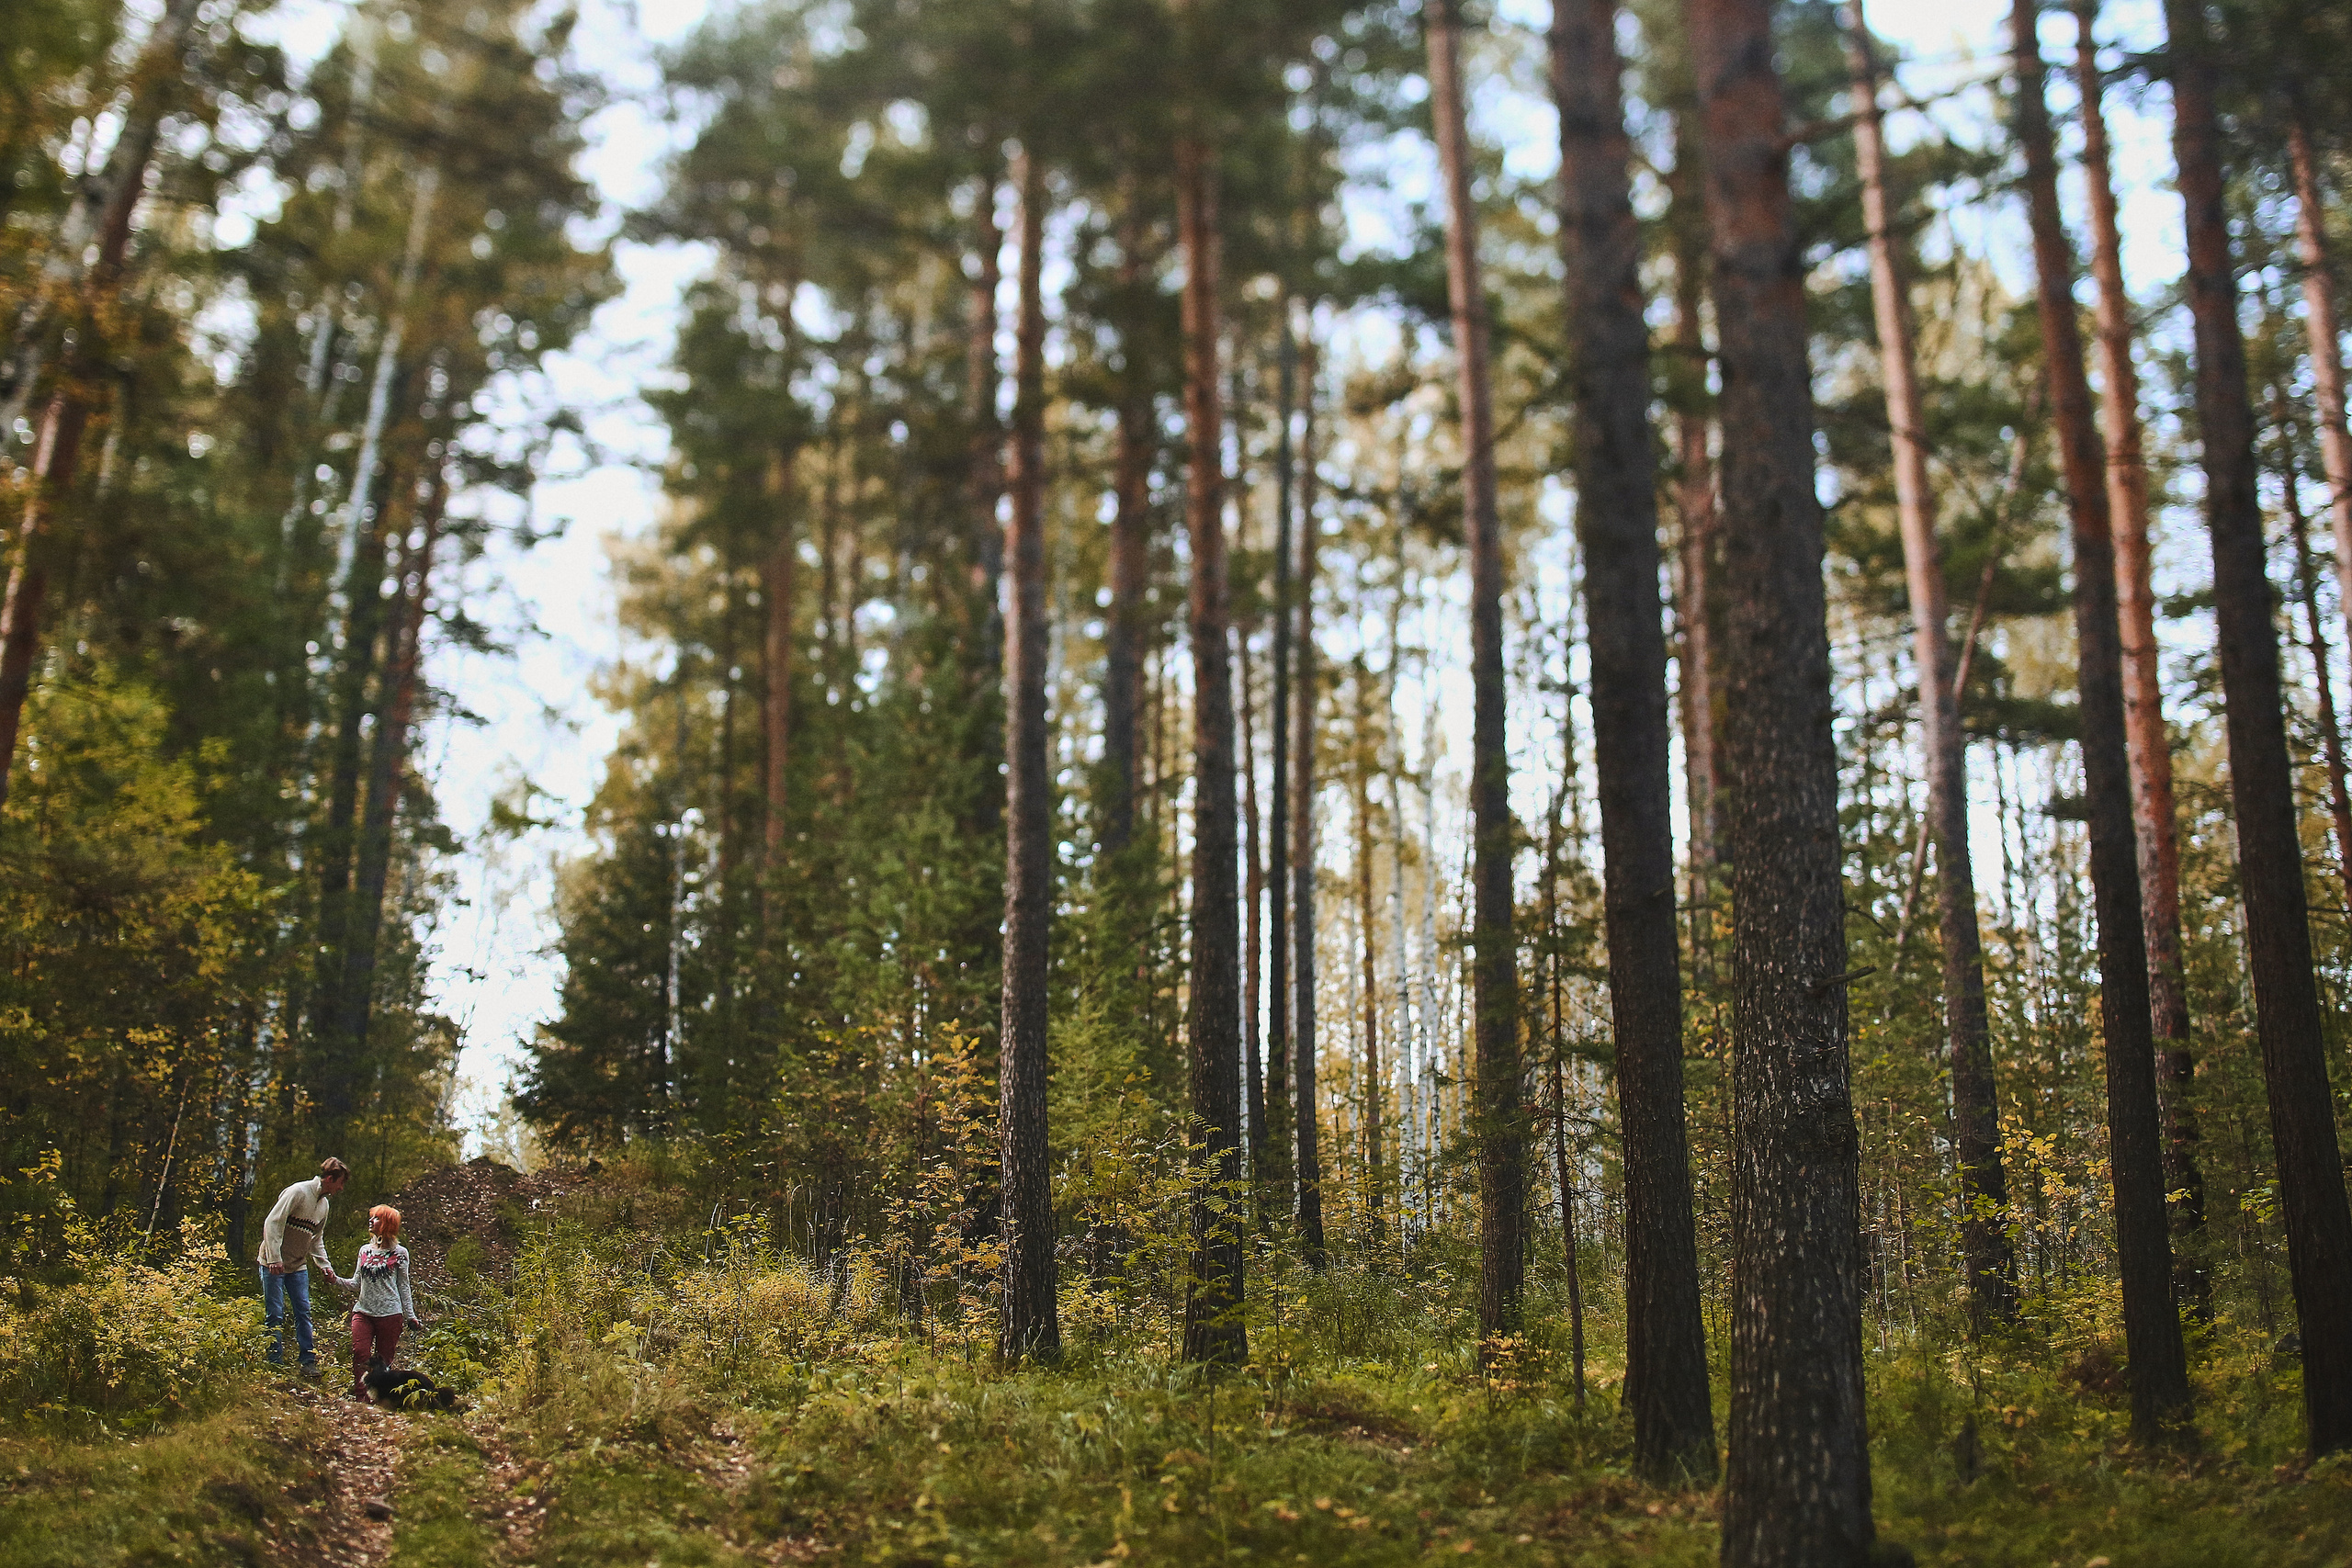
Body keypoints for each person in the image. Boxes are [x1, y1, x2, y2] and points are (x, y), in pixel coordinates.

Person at [257, 1156, 348, 1375]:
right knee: (275, 1313)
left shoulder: (323, 1205)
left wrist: (325, 1266)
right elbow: (273, 1223)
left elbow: (316, 1238)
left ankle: (307, 1361)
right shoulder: (297, 1192)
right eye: (340, 1183)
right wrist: (274, 1258)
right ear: (329, 1178)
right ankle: (274, 1361)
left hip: (297, 1265)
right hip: (273, 1264)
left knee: (303, 1312)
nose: (341, 1188)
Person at [333, 1203, 424, 1401]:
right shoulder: (365, 1250)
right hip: (363, 1312)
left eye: (376, 1218)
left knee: (384, 1363)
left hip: (390, 1315)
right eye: (372, 1217)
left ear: (387, 1224)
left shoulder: (400, 1253)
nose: (371, 1221)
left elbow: (403, 1286)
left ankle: (377, 1400)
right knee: (360, 1354)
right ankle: (360, 1398)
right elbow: (356, 1283)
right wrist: (335, 1279)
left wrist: (411, 1316)